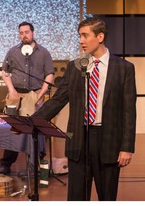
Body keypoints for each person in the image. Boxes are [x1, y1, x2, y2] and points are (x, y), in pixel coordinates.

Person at [32, 17, 137, 201]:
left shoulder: (124, 69)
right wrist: (31, 122)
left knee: (107, 197)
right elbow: (57, 100)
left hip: (109, 143)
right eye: (79, 35)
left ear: (100, 36)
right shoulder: (75, 66)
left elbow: (129, 112)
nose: (80, 40)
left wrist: (126, 148)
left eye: (85, 35)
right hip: (79, 141)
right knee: (76, 198)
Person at [0, 21, 54, 175]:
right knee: (13, 130)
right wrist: (11, 90)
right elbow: (5, 72)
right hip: (15, 94)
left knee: (33, 131)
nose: (24, 35)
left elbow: (49, 73)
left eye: (27, 32)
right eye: (21, 33)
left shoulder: (44, 52)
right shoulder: (12, 52)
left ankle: (36, 166)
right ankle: (6, 165)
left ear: (33, 33)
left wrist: (42, 92)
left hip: (33, 94)